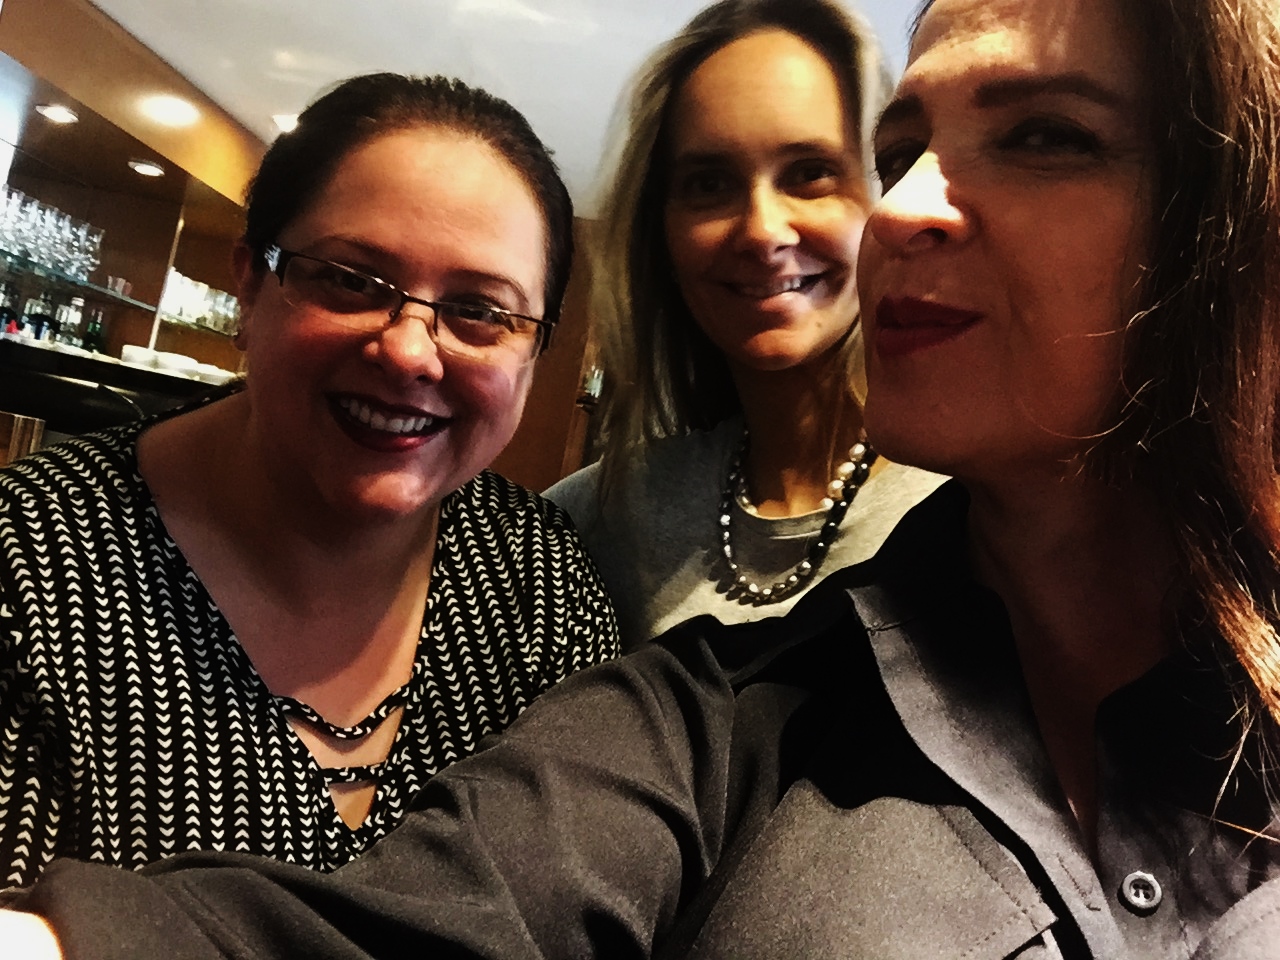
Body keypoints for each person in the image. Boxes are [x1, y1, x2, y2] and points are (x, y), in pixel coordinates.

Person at [7, 0, 1280, 955]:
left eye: (1046, 136)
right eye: (349, 278)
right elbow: (471, 893)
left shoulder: (527, 580)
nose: (894, 211)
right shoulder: (688, 660)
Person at [0, 72, 618, 888]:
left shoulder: (540, 585)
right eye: (350, 280)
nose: (408, 351)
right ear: (251, 284)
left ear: (534, 353)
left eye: (479, 310)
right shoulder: (27, 569)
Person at [544, 0, 945, 649]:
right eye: (709, 183)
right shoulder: (589, 522)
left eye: (810, 173)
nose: (761, 231)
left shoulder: (988, 502)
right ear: (661, 234)